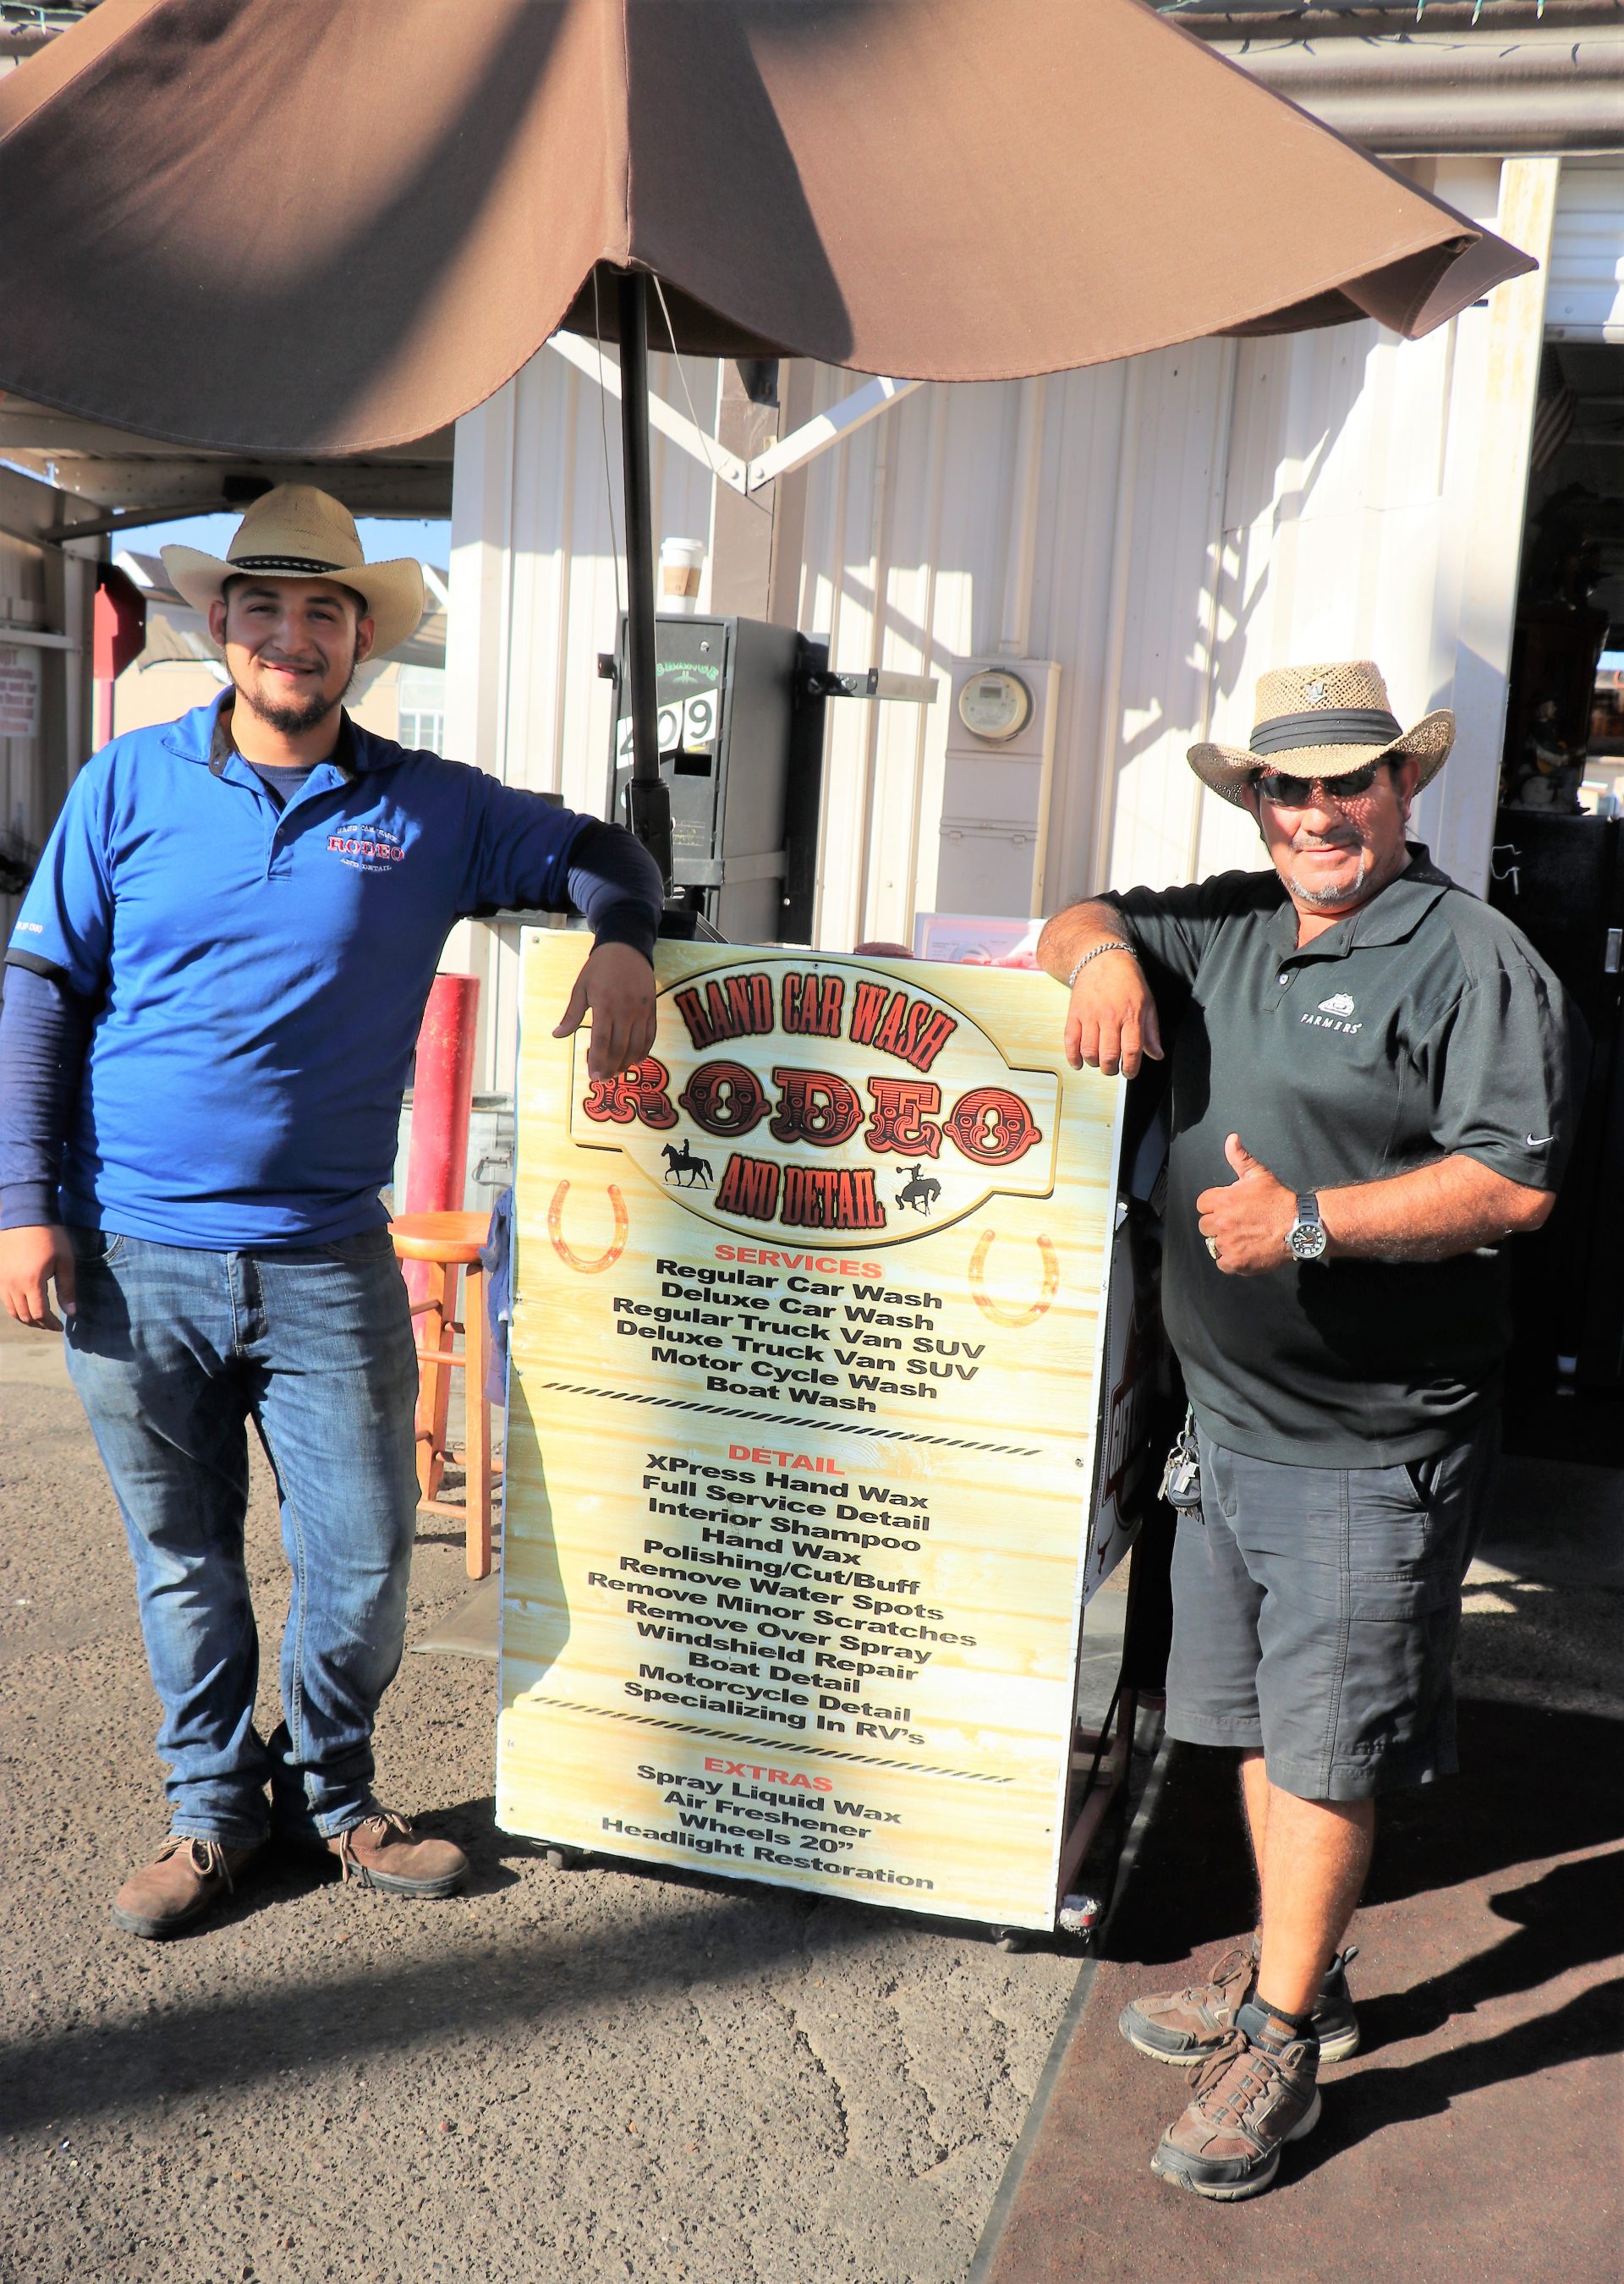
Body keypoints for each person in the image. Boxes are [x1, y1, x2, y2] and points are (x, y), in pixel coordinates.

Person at [0, 486, 663, 1939]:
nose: (290, 637)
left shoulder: (429, 810)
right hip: (129, 1249)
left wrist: (624, 939)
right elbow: (40, 994)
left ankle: (333, 1790)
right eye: (264, 608)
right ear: (223, 628)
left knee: (359, 1563)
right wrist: (19, 1208)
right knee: (181, 1554)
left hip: (324, 1258)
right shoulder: (124, 786)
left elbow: (610, 851)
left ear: (361, 640)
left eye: (323, 613)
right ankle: (212, 1815)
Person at [1038, 660, 1581, 2202]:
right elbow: (1081, 907)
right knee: (1265, 1724)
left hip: (1372, 1437)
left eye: (1354, 782)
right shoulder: (1227, 916)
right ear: (1257, 804)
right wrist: (1101, 965)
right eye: (1293, 786)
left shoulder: (1474, 959)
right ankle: (1306, 1973)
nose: (1323, 811)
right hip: (1227, 1427)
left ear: (1405, 792)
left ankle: (1279, 2037)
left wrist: (1317, 1226)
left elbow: (1514, 1183)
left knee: (1328, 1740)